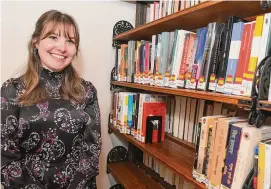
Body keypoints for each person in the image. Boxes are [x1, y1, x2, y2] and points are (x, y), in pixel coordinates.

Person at [1, 10, 101, 189]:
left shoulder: (87, 91)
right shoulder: (12, 90)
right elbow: (6, 154)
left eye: (70, 41)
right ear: (36, 41)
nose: (62, 47)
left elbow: (91, 150)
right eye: (53, 37)